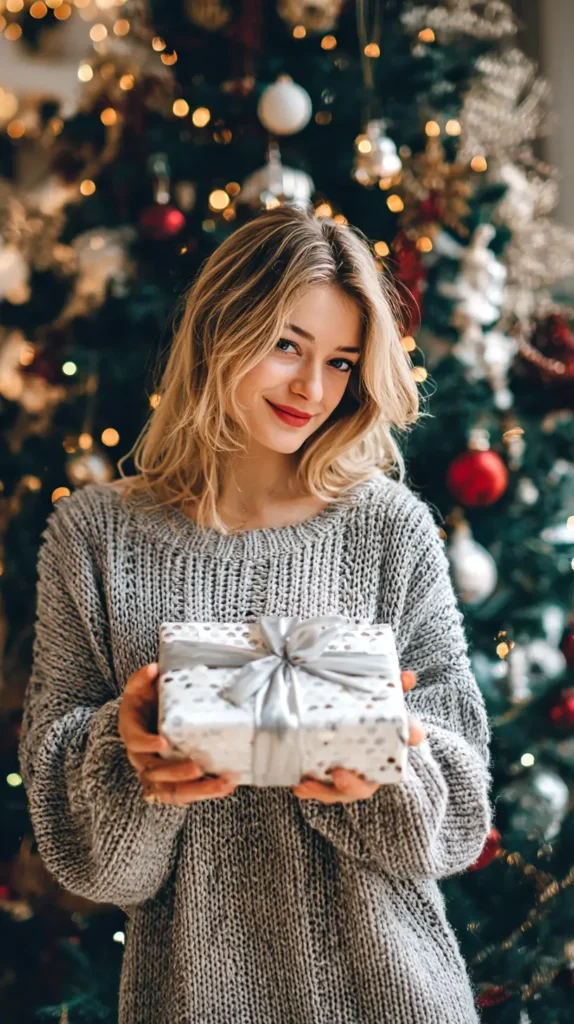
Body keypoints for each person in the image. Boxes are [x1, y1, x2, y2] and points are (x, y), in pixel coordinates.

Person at [18, 203, 493, 1024]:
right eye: (287, 347)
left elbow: (456, 819)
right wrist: (129, 751)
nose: (314, 389)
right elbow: (89, 860)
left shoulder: (391, 528)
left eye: (342, 361)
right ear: (217, 334)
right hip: (192, 999)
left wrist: (388, 767)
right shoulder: (93, 539)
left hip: (397, 995)